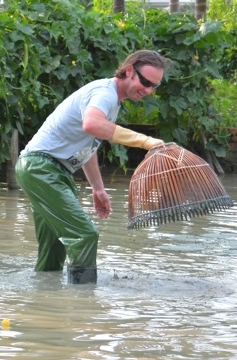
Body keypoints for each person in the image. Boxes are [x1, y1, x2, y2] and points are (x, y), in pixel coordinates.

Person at [15, 50, 168, 284]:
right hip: (41, 168)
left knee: (53, 247)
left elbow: (88, 147)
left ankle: (45, 298)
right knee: (84, 234)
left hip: (48, 170)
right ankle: (83, 302)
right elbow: (91, 124)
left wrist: (98, 188)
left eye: (153, 87)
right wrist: (145, 141)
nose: (148, 90)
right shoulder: (104, 93)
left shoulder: (112, 101)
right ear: (129, 71)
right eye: (145, 82)